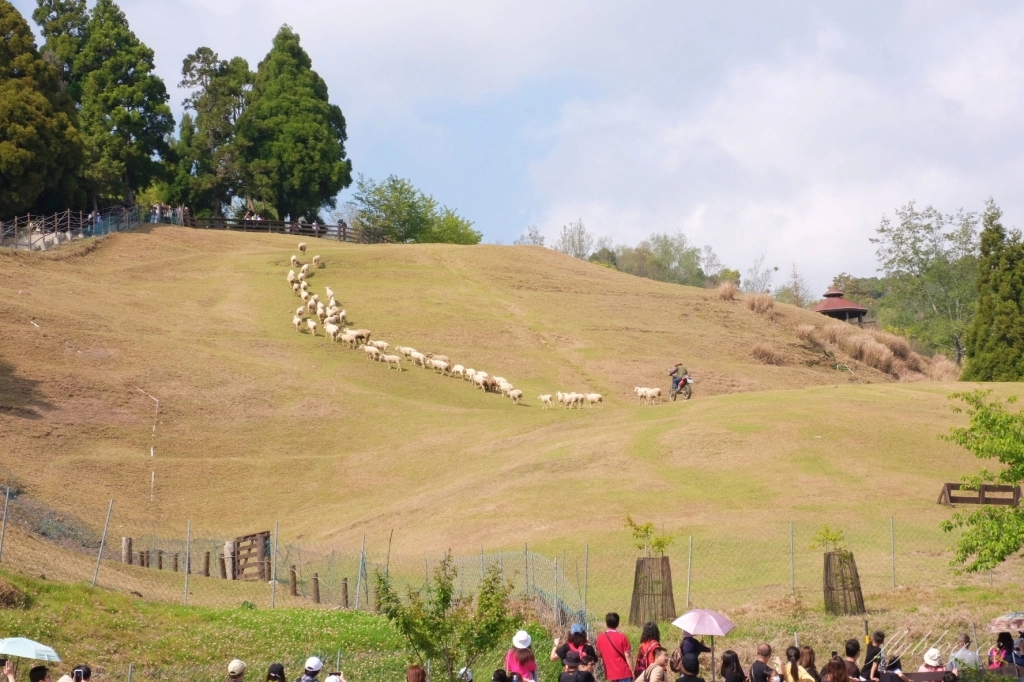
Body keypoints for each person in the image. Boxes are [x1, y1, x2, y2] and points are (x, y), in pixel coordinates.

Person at [596, 612, 633, 682]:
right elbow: (627, 655)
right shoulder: (622, 637)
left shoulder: (600, 637)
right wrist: (632, 671)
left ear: (606, 623)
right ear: (618, 623)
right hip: (624, 672)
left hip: (611, 674)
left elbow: (598, 654)